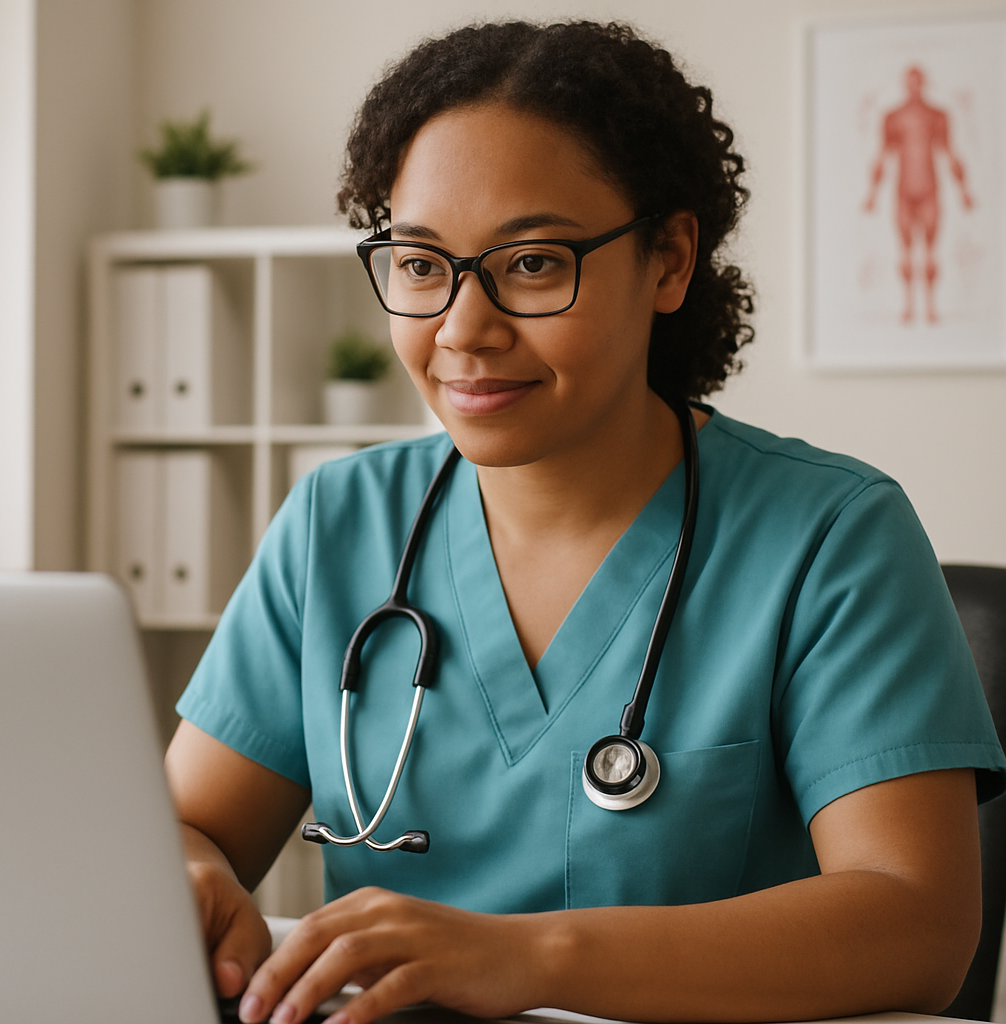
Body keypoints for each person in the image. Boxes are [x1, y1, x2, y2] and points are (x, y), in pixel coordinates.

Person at [164, 20, 1005, 1024]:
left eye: (530, 263)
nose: (462, 329)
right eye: (422, 264)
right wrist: (188, 875)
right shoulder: (337, 523)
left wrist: (530, 956)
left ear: (668, 260)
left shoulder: (831, 534)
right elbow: (187, 828)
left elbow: (915, 926)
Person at [863, 64, 974, 325]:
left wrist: (964, 191)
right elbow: (883, 156)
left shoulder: (937, 116)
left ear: (923, 83)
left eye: (918, 82)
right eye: (910, 82)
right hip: (904, 191)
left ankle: (932, 306)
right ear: (906, 84)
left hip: (930, 190)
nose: (914, 87)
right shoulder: (894, 116)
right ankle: (909, 305)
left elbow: (949, 153)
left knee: (930, 252)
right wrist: (872, 194)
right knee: (906, 251)